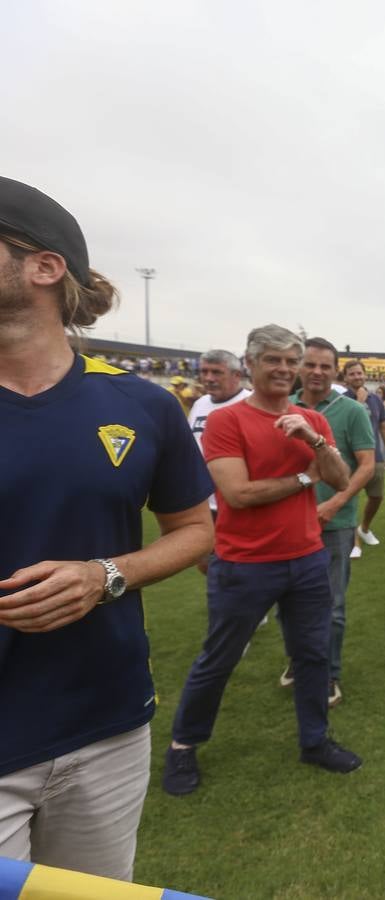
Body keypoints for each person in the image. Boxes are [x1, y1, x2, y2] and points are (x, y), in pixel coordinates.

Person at [0, 178, 214, 879]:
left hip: (107, 725)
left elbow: (194, 529)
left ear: (43, 266)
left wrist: (106, 575)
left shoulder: (142, 405)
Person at [163, 324, 360, 797]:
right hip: (245, 563)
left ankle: (314, 741)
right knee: (220, 658)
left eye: (291, 362)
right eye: (274, 360)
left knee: (312, 655)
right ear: (250, 365)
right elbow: (238, 493)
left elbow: (339, 476)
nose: (285, 370)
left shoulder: (309, 418)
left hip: (307, 558)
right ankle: (183, 746)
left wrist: (313, 441)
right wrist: (302, 479)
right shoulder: (227, 421)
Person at [288, 338, 374, 707]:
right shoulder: (283, 407)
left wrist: (337, 501)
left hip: (335, 523)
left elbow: (366, 464)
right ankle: (298, 661)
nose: (317, 372)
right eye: (310, 365)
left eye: (325, 366)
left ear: (335, 371)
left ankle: (328, 674)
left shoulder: (351, 411)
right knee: (289, 602)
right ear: (299, 367)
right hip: (289, 524)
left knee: (332, 604)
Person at [188, 350, 253, 517]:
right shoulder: (200, 404)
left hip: (236, 505)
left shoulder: (252, 404)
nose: (209, 378)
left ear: (236, 375)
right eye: (204, 371)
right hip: (202, 503)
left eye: (217, 372)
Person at [341, 359, 385, 557]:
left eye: (359, 373)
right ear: (345, 377)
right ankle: (354, 542)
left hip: (375, 456)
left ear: (365, 375)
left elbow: (383, 427)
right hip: (349, 459)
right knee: (350, 498)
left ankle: (364, 528)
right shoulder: (341, 400)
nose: (357, 376)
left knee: (376, 496)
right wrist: (359, 402)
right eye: (352, 374)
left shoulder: (375, 399)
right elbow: (346, 423)